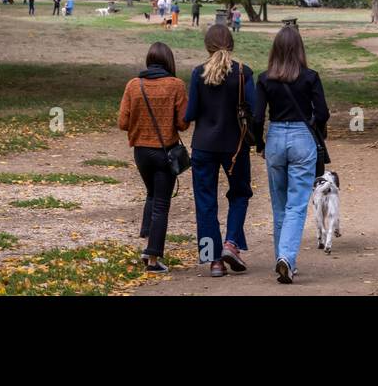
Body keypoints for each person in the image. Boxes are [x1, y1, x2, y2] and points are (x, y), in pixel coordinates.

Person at [252, 25, 330, 284]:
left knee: (279, 204)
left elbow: (256, 116)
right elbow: (322, 113)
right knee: (296, 204)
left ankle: (283, 258)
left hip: (275, 137)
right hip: (301, 138)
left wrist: (259, 143)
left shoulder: (264, 79)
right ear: (299, 49)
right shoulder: (310, 77)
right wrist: (316, 129)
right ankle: (286, 257)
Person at [185, 24, 255, 277]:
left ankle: (214, 260)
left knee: (205, 202)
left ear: (207, 45)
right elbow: (254, 112)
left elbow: (190, 113)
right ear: (232, 44)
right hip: (235, 147)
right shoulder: (243, 73)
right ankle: (232, 243)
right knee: (239, 194)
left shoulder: (197, 73)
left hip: (203, 145)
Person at [117, 41, 190, 273]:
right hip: (164, 152)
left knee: (152, 193)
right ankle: (152, 256)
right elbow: (183, 123)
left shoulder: (133, 85)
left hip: (140, 153)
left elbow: (123, 123)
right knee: (161, 204)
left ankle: (146, 234)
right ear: (169, 62)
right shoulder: (176, 85)